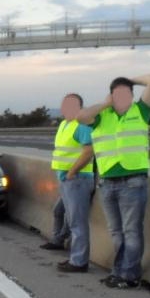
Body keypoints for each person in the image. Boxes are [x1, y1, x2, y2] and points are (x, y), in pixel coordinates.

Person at [77, 73, 150, 288]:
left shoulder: (140, 111)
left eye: (126, 94)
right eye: (117, 94)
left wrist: (128, 80)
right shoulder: (102, 116)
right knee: (116, 232)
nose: (122, 98)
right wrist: (105, 104)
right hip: (107, 182)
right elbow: (81, 117)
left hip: (133, 181)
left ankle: (130, 276)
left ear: (132, 95)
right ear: (110, 96)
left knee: (131, 231)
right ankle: (119, 271)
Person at [47, 93, 95, 273]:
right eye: (64, 104)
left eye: (70, 105)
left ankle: (79, 262)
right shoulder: (63, 124)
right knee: (71, 220)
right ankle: (75, 257)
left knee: (77, 222)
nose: (65, 108)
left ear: (79, 107)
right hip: (66, 180)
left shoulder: (81, 125)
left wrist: (72, 172)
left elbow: (89, 151)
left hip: (78, 179)